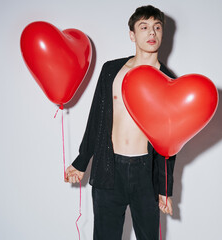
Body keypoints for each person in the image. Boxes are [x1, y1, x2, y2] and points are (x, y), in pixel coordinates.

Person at [65, 5, 176, 240]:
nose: (152, 33)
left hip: (145, 172)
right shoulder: (111, 70)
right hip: (109, 167)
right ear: (132, 35)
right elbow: (96, 118)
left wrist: (165, 188)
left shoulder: (169, 81)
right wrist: (81, 161)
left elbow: (171, 141)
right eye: (144, 27)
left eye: (157, 27)